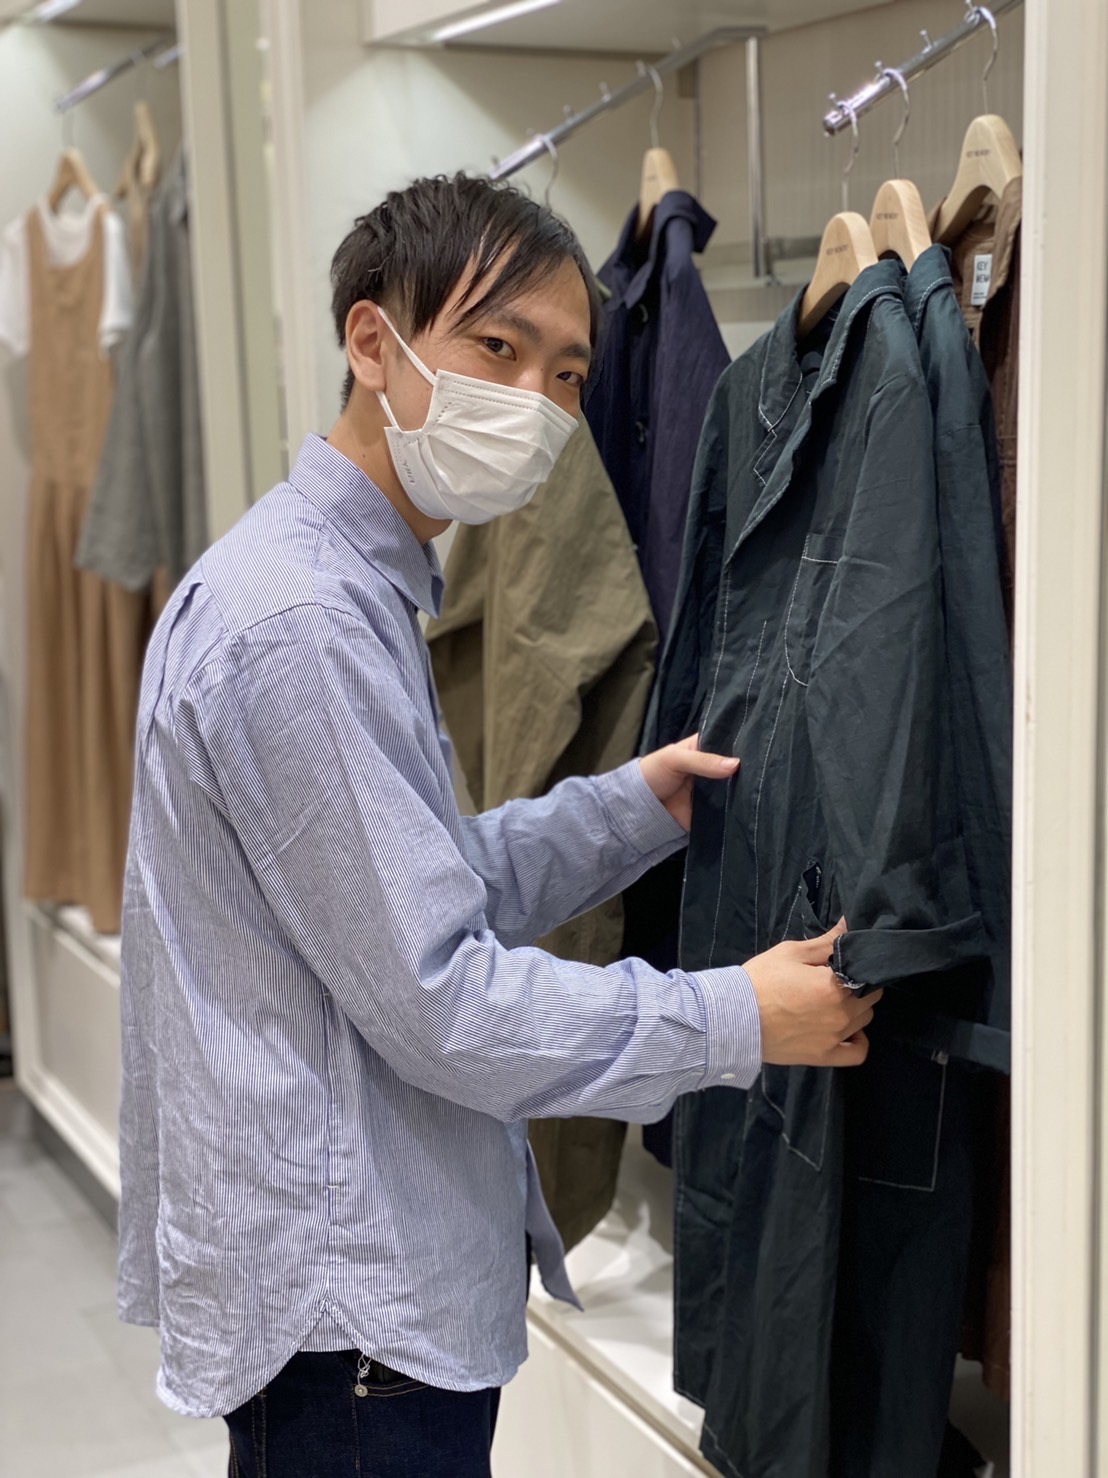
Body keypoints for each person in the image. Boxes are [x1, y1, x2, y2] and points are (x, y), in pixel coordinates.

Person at [117, 172, 879, 1478]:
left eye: (570, 373)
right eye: (497, 347)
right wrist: (736, 1018)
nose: (535, 402)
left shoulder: (335, 580)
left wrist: (629, 809)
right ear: (373, 343)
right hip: (352, 1329)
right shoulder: (300, 625)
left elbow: (409, 884)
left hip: (354, 1303)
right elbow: (442, 1000)